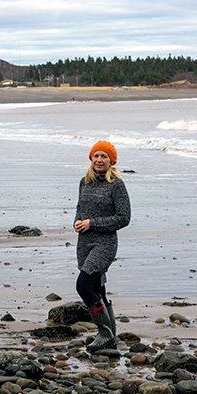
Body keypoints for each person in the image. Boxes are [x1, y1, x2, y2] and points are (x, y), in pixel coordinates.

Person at [73, 139, 131, 352]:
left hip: (105, 244)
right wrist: (77, 222)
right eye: (96, 155)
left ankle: (104, 333)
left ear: (111, 161)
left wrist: (92, 223)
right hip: (84, 242)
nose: (99, 159)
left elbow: (124, 218)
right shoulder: (84, 182)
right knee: (98, 288)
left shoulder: (116, 185)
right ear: (91, 158)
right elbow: (80, 208)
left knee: (83, 286)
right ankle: (111, 337)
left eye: (104, 156)